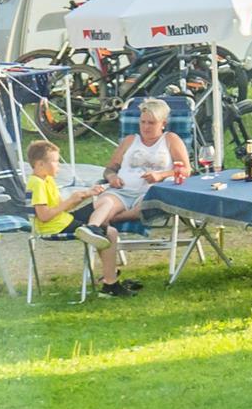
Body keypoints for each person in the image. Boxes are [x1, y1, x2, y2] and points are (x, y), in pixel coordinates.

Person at [75, 97, 189, 292]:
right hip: (122, 190)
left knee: (125, 213)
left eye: (151, 123)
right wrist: (112, 177)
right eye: (142, 122)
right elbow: (110, 168)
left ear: (163, 123)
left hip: (151, 194)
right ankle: (94, 230)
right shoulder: (130, 141)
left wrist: (161, 175)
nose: (145, 127)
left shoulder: (170, 140)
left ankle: (97, 225)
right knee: (106, 203)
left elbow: (186, 170)